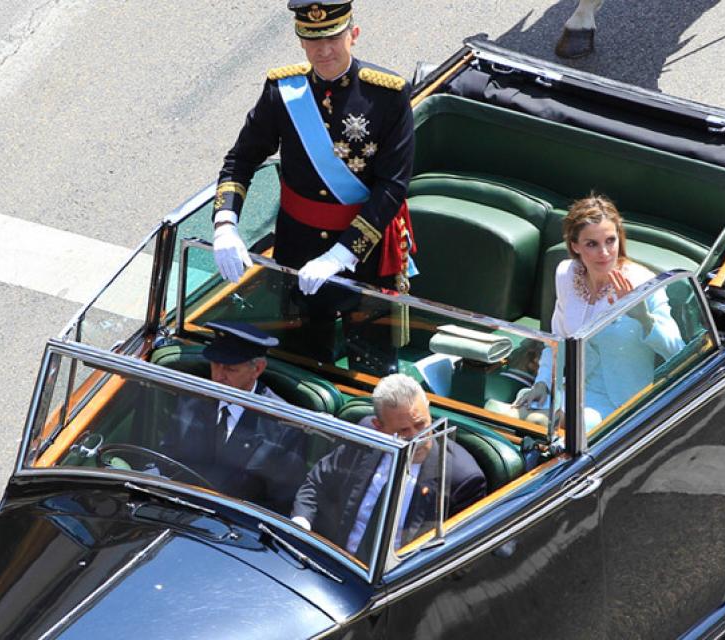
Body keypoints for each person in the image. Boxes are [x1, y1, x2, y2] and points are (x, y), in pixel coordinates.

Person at [210, 1, 416, 367]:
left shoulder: (388, 95)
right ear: (301, 43)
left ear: (353, 34)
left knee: (373, 364)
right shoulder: (282, 91)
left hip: (364, 255)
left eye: (333, 38)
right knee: (301, 361)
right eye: (312, 40)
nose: (324, 51)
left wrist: (341, 254)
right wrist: (226, 224)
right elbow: (240, 160)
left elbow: (392, 186)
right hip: (297, 251)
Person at [514, 194, 684, 427]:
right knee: (511, 417)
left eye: (610, 241)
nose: (604, 252)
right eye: (592, 244)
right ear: (575, 246)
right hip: (568, 393)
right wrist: (543, 383)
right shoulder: (566, 273)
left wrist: (645, 319)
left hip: (621, 406)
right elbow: (558, 341)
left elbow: (678, 351)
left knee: (546, 427)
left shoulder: (645, 283)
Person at [291, 374, 487, 560]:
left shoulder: (461, 478)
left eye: (421, 425)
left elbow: (457, 555)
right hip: (338, 560)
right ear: (379, 426)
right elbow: (317, 483)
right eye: (403, 431)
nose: (417, 439)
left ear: (428, 410)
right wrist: (301, 523)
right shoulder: (367, 435)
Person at [160, 321, 307, 515]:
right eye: (215, 365)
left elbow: (280, 504)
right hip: (177, 509)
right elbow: (166, 460)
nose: (219, 377)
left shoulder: (284, 427)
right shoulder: (192, 399)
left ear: (258, 369)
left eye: (230, 369)